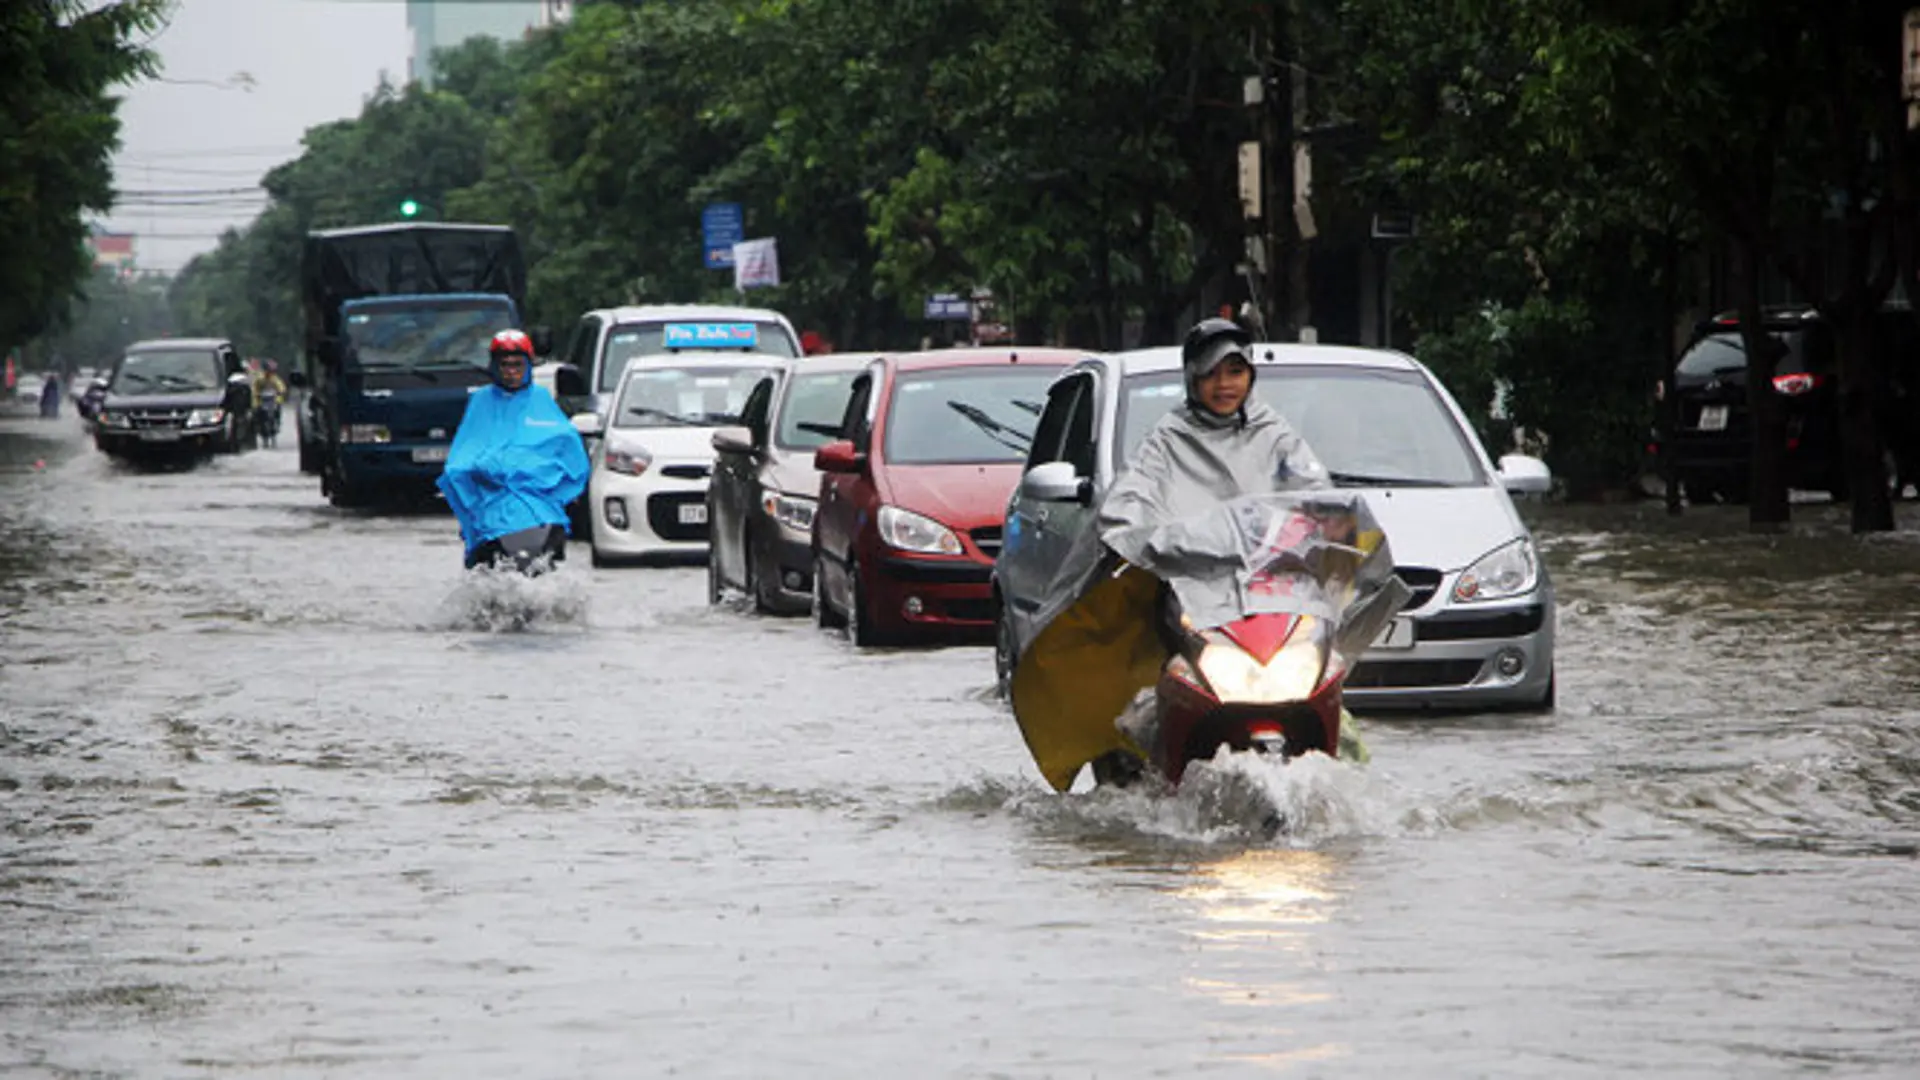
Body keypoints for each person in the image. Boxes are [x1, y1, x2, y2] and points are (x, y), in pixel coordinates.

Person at [437, 329, 590, 570]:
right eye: (505, 365)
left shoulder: (542, 401)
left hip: (541, 511)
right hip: (491, 510)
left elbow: (570, 456)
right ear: (494, 367)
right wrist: (487, 471)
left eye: (517, 365)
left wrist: (531, 475)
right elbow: (460, 461)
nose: (511, 372)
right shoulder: (481, 402)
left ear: (528, 365)